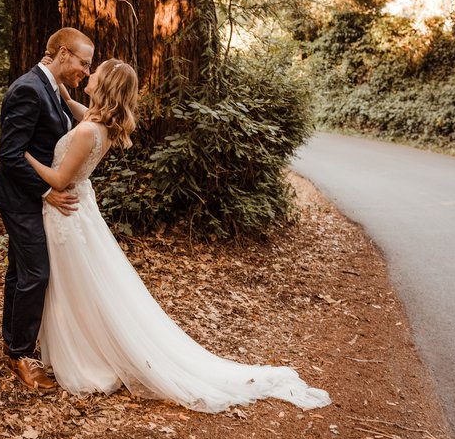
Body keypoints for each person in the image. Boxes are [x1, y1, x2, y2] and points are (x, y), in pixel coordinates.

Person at [24, 59, 331, 413]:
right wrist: (60, 87)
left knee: (76, 285)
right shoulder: (100, 125)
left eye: (95, 72)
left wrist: (26, 157)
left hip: (67, 212)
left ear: (104, 85)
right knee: (86, 284)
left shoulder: (86, 132)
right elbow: (81, 114)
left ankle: (89, 356)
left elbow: (60, 180)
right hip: (80, 214)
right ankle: (95, 344)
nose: (88, 75)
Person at [0, 27, 94, 391]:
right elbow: (9, 154)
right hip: (21, 199)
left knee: (20, 272)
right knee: (36, 273)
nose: (86, 71)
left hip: (31, 198)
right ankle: (21, 355)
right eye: (83, 62)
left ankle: (11, 341)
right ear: (63, 53)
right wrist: (46, 191)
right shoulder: (28, 89)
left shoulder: (51, 88)